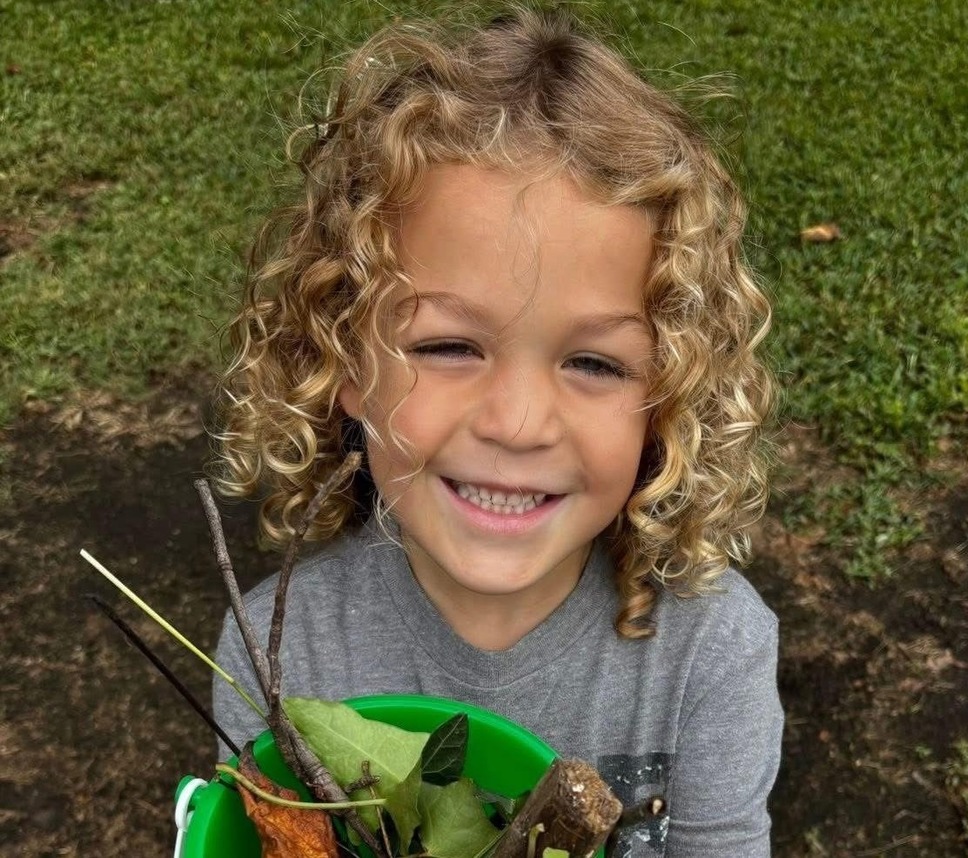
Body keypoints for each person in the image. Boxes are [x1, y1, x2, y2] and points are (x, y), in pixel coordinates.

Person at [211, 7, 782, 856]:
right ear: (345, 365)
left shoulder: (710, 655)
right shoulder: (276, 656)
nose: (516, 424)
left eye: (595, 363)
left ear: (669, 396)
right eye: (448, 346)